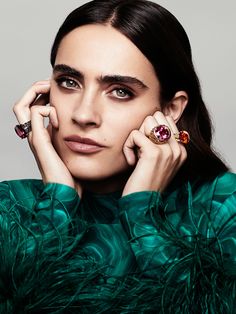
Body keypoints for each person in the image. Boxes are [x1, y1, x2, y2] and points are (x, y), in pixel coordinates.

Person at [1, 0, 236, 313]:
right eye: (69, 82)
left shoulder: (222, 207)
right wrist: (57, 203)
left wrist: (142, 210)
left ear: (170, 109)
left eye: (120, 91)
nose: (84, 115)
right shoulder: (10, 208)